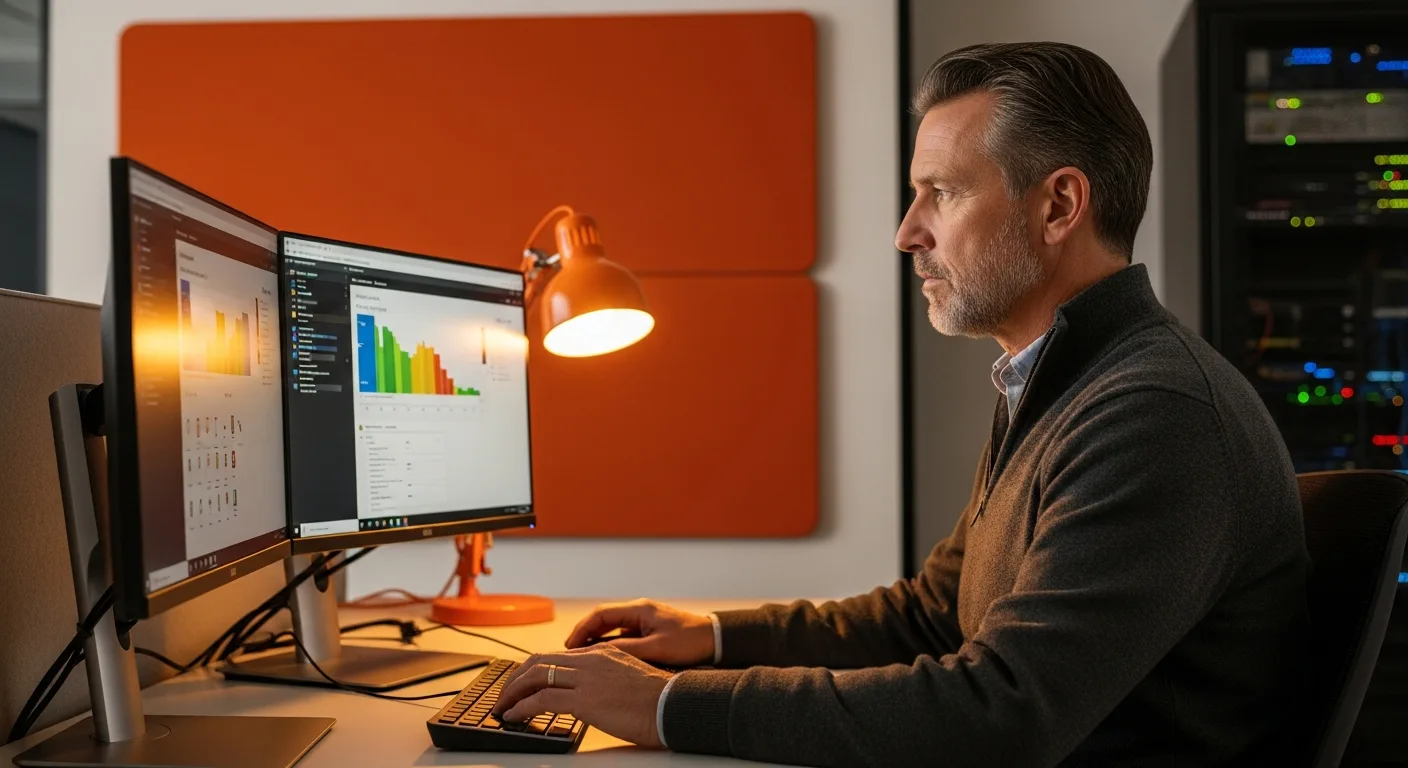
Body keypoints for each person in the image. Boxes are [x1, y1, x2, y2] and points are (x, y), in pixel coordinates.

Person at [490, 42, 1311, 766]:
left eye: (941, 193)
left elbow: (1002, 715)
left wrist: (660, 707)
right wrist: (711, 638)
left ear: (1059, 205)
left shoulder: (1153, 413)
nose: (907, 232)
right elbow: (931, 616)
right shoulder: (1061, 380)